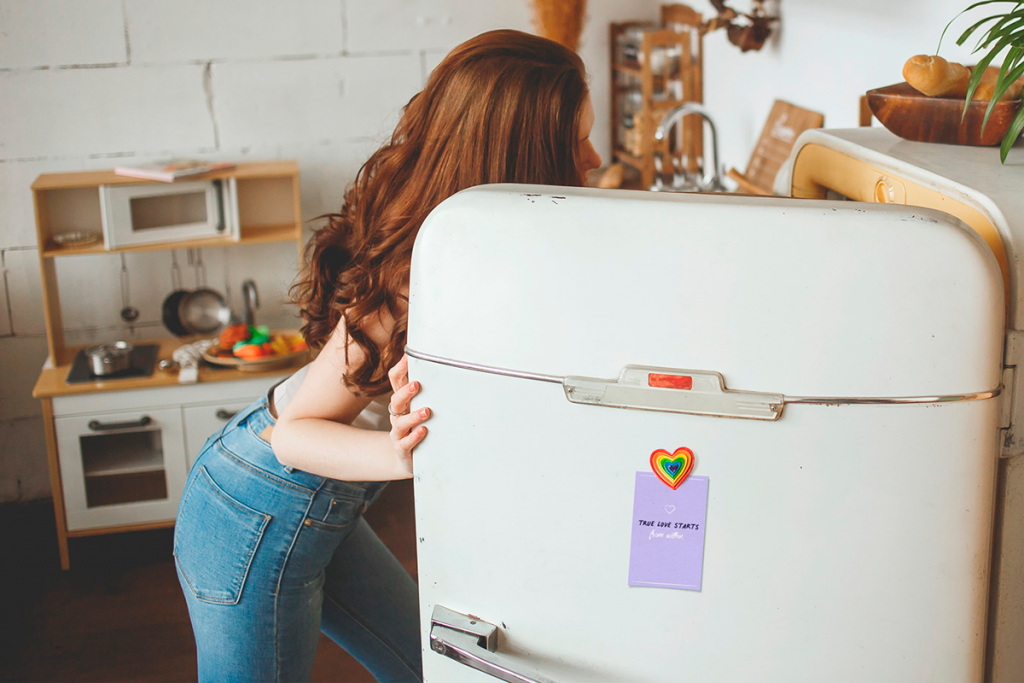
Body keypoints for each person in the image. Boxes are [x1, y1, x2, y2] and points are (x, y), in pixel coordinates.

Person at [173, 28, 602, 682]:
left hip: (318, 506)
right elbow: (295, 435)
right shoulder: (411, 280)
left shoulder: (472, 249)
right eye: (578, 141)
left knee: (426, 670)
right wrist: (403, 455)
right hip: (252, 504)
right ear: (525, 153)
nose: (595, 157)